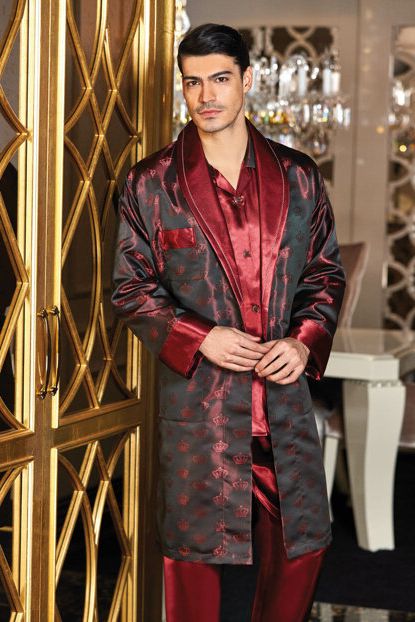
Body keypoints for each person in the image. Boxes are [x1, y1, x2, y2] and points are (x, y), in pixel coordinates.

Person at [112, 23, 345, 622]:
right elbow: (130, 289)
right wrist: (201, 337)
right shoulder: (150, 184)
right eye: (192, 82)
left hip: (282, 403)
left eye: (219, 79)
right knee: (191, 557)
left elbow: (324, 274)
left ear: (248, 79)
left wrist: (304, 342)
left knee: (303, 545)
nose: (206, 95)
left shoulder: (298, 177)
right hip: (202, 406)